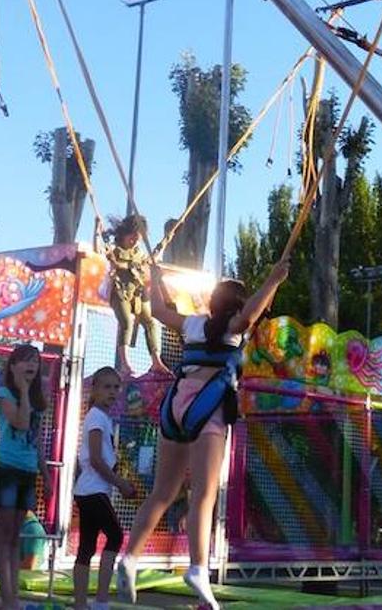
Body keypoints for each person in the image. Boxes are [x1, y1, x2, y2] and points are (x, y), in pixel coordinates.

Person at [117, 259, 290, 610]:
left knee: (163, 492)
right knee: (203, 494)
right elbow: (249, 316)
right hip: (207, 407)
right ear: (237, 305)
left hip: (175, 404)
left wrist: (155, 277)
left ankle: (130, 557)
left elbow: (162, 311)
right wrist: (273, 279)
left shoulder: (194, 325)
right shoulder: (234, 329)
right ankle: (197, 567)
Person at [73, 367, 136, 610]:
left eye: (115, 387)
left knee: (87, 546)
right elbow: (97, 459)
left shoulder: (100, 417)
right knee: (116, 535)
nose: (112, 392)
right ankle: (100, 600)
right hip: (93, 490)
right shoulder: (97, 417)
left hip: (89, 490)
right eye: (106, 387)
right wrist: (119, 483)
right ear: (95, 389)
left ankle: (81, 603)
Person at [0, 345, 49, 610]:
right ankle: (7, 598)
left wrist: (45, 476)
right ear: (13, 365)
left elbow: (35, 440)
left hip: (28, 472)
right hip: (6, 469)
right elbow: (20, 423)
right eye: (26, 360)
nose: (32, 365)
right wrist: (23, 391)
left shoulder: (37, 400)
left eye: (35, 361)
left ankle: (13, 595)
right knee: (4, 535)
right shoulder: (4, 394)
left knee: (17, 535)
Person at [103, 216, 170, 376]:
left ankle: (156, 360)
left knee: (150, 321)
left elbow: (153, 256)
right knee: (126, 321)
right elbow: (111, 259)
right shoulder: (114, 250)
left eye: (137, 238)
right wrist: (97, 229)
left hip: (138, 291)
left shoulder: (139, 253)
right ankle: (125, 363)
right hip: (120, 290)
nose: (134, 241)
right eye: (132, 237)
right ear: (125, 234)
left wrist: (167, 238)